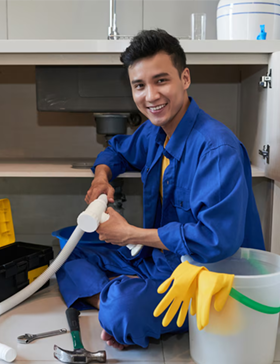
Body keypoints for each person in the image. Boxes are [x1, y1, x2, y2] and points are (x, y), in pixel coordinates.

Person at [56, 29, 265, 350]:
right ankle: (124, 298)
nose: (150, 96)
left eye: (161, 81)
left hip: (206, 276)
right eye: (139, 86)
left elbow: (216, 241)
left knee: (121, 310)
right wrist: (102, 177)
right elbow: (118, 151)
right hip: (158, 261)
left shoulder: (216, 149)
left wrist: (130, 235)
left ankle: (119, 303)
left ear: (184, 78)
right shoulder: (155, 133)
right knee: (68, 245)